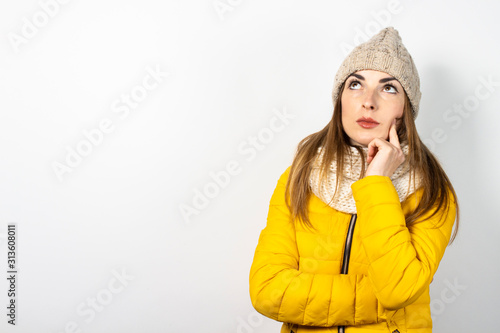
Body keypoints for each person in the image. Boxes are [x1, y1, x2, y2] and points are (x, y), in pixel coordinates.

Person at [248, 26, 460, 333]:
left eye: (389, 88)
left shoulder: (431, 190)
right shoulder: (302, 174)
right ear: (340, 99)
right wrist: (377, 305)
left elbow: (398, 290)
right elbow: (267, 290)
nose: (368, 101)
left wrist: (377, 184)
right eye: (355, 84)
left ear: (406, 109)